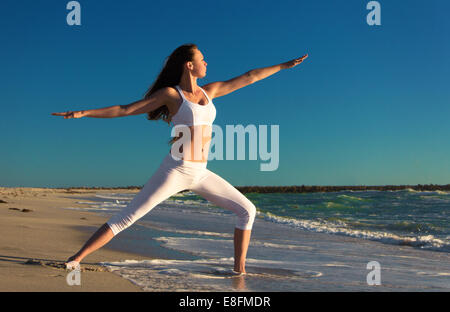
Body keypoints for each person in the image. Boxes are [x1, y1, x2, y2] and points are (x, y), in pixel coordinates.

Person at [52, 43, 308, 274]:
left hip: (201, 172)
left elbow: (250, 77)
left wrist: (284, 66)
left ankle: (239, 270)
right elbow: (126, 109)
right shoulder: (171, 96)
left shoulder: (210, 91)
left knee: (247, 210)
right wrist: (84, 112)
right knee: (129, 216)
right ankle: (76, 258)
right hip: (176, 169)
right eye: (202, 59)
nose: (206, 63)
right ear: (189, 65)